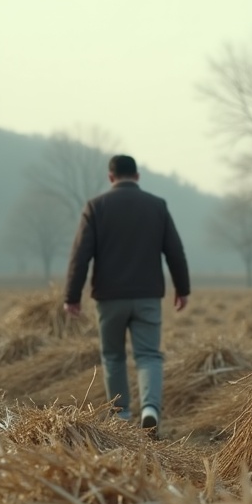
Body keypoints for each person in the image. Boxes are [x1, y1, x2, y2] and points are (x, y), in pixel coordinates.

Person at [64, 154, 190, 436]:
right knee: (148, 355)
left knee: (113, 356)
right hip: (147, 296)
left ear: (110, 177)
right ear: (137, 176)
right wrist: (183, 289)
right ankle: (150, 410)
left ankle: (120, 416)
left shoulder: (96, 207)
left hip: (109, 298)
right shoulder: (157, 206)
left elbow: (80, 256)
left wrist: (72, 296)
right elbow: (175, 252)